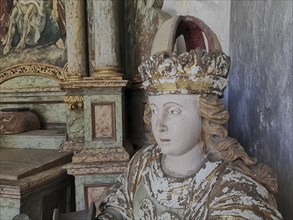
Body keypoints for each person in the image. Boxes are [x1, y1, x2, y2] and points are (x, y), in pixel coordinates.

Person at [97, 16, 283, 220]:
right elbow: (118, 205)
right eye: (155, 110)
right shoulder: (143, 161)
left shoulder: (232, 188)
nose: (159, 125)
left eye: (174, 111)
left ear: (206, 113)